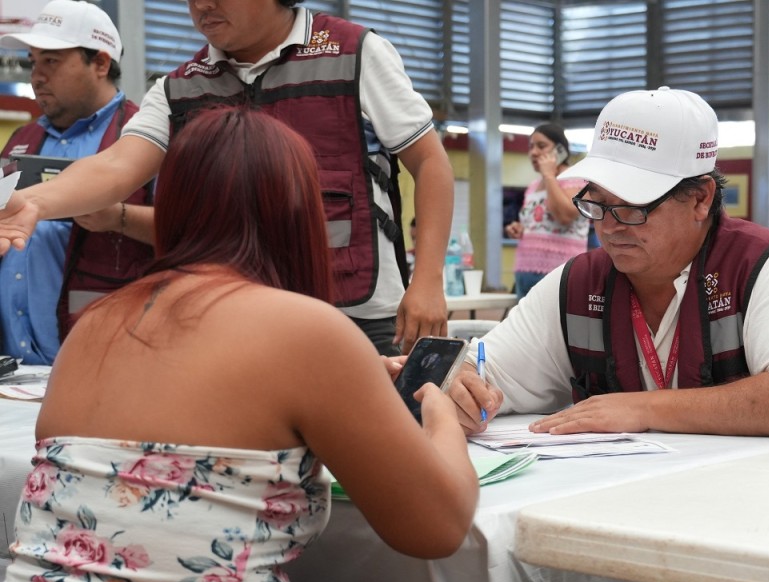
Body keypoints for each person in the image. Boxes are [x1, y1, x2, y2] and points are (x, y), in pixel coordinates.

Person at [0, 106, 478, 582]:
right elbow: (438, 529)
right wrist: (439, 410)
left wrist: (352, 381)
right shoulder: (308, 331)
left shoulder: (96, 323)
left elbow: (177, 426)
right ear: (298, 213)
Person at [0, 0, 453, 355]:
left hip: (357, 318)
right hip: (238, 324)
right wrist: (37, 202)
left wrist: (428, 281)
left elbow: (430, 163)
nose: (202, 7)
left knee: (366, 465)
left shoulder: (355, 54)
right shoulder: (182, 86)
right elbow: (119, 164)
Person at [450, 88, 769, 437]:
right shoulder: (578, 284)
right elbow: (486, 368)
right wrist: (462, 382)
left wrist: (642, 407)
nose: (609, 227)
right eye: (598, 203)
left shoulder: (760, 267)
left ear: (701, 199)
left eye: (633, 206)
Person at [0, 0, 152, 365]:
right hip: (14, 370)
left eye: (51, 61)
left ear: (100, 63)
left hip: (103, 363)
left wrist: (119, 217)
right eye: (34, 61)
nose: (36, 75)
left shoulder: (144, 141)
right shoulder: (21, 139)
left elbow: (196, 234)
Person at [504, 123, 591, 299]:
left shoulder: (577, 180)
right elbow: (538, 221)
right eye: (531, 147)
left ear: (560, 151)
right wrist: (520, 228)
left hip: (559, 273)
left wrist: (550, 176)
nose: (533, 152)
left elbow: (564, 216)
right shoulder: (533, 186)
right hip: (525, 271)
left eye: (541, 146)